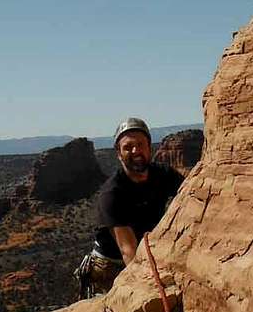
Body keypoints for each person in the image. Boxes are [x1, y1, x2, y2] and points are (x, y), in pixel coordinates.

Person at [75, 117, 184, 298]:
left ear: (150, 148)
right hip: (111, 263)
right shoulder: (112, 193)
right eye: (128, 147)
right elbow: (128, 249)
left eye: (141, 144)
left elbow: (192, 197)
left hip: (147, 251)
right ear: (118, 153)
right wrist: (147, 285)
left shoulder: (164, 174)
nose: (136, 151)